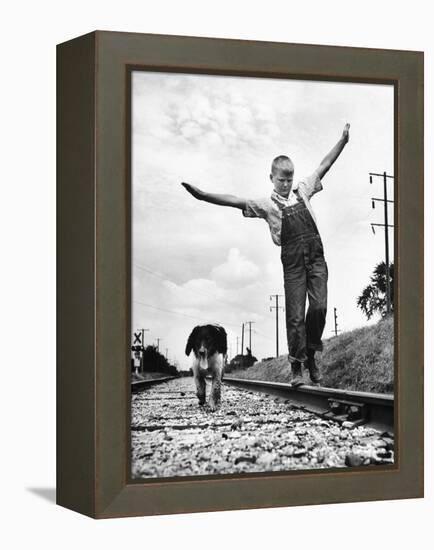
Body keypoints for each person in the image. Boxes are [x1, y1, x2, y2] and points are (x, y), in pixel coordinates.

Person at [182, 123, 350, 386]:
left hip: (316, 257)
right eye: (281, 179)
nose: (285, 184)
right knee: (295, 315)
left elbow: (324, 165)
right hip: (292, 262)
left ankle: (311, 354)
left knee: (319, 307)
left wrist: (343, 141)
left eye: (289, 179)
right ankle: (297, 367)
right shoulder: (266, 204)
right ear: (271, 177)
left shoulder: (303, 190)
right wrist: (203, 196)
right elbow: (234, 199)